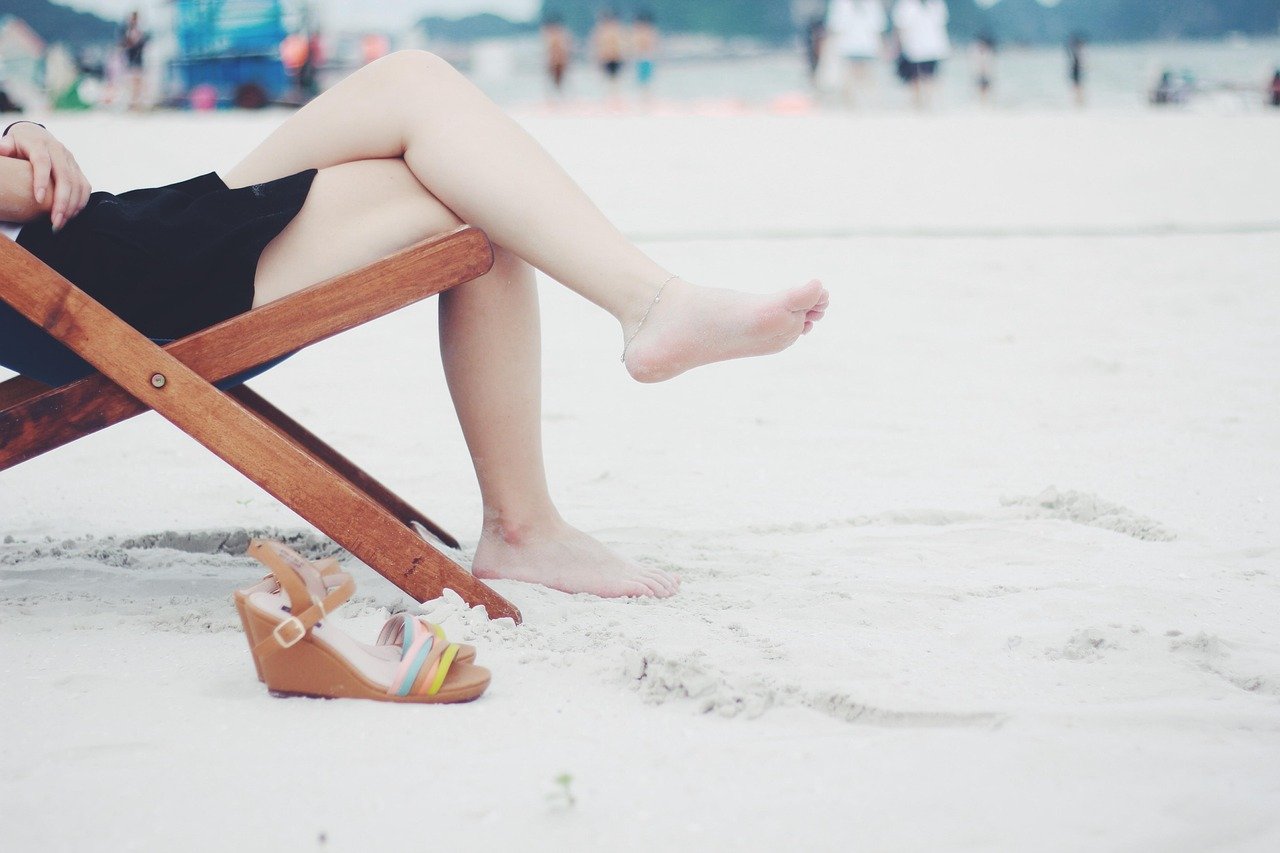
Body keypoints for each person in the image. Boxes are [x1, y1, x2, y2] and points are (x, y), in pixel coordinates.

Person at [0, 52, 829, 600]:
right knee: (474, 197)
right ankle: (534, 508)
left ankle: (640, 328)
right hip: (101, 285)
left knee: (415, 84)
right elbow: (32, 196)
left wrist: (20, 129)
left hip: (117, 248)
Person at [826, 0, 886, 108]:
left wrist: (881, 48)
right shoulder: (841, 4)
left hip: (867, 47)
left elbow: (878, 28)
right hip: (848, 47)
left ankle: (870, 106)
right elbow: (835, 27)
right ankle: (851, 107)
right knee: (849, 79)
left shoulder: (872, 4)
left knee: (866, 78)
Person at [891, 0, 949, 109]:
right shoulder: (906, 5)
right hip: (913, 48)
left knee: (929, 78)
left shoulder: (936, 4)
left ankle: (928, 104)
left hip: (932, 48)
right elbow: (899, 27)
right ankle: (918, 104)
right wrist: (897, 46)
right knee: (915, 78)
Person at [592, 10, 626, 100]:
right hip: (606, 58)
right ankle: (607, 98)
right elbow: (598, 46)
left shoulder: (617, 30)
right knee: (606, 80)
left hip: (615, 58)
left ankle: (615, 98)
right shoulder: (601, 31)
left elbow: (622, 45)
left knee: (615, 80)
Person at [118, 10, 149, 111]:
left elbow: (142, 44)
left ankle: (136, 104)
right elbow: (123, 44)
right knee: (131, 83)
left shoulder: (139, 30)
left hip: (137, 59)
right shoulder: (127, 30)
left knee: (137, 83)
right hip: (131, 59)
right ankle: (132, 104)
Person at [542, 14, 573, 97]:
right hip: (555, 61)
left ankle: (559, 96)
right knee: (555, 81)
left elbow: (565, 49)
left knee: (559, 80)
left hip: (558, 61)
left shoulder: (558, 34)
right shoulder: (552, 34)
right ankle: (557, 96)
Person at [632, 11, 659, 103]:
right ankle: (644, 98)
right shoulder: (644, 32)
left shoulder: (648, 32)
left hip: (646, 58)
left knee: (645, 81)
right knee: (643, 81)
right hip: (642, 58)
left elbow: (651, 45)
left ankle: (646, 99)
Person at [972, 33, 995, 106]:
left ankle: (984, 104)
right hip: (980, 74)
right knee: (980, 91)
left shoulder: (987, 52)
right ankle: (982, 104)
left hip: (986, 74)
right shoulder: (977, 52)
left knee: (985, 91)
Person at [1067, 33, 1086, 108]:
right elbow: (1079, 63)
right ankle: (1079, 101)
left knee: (1077, 86)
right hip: (1076, 70)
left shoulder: (1074, 51)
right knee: (1077, 86)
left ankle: (1078, 101)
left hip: (1075, 70)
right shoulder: (1076, 52)